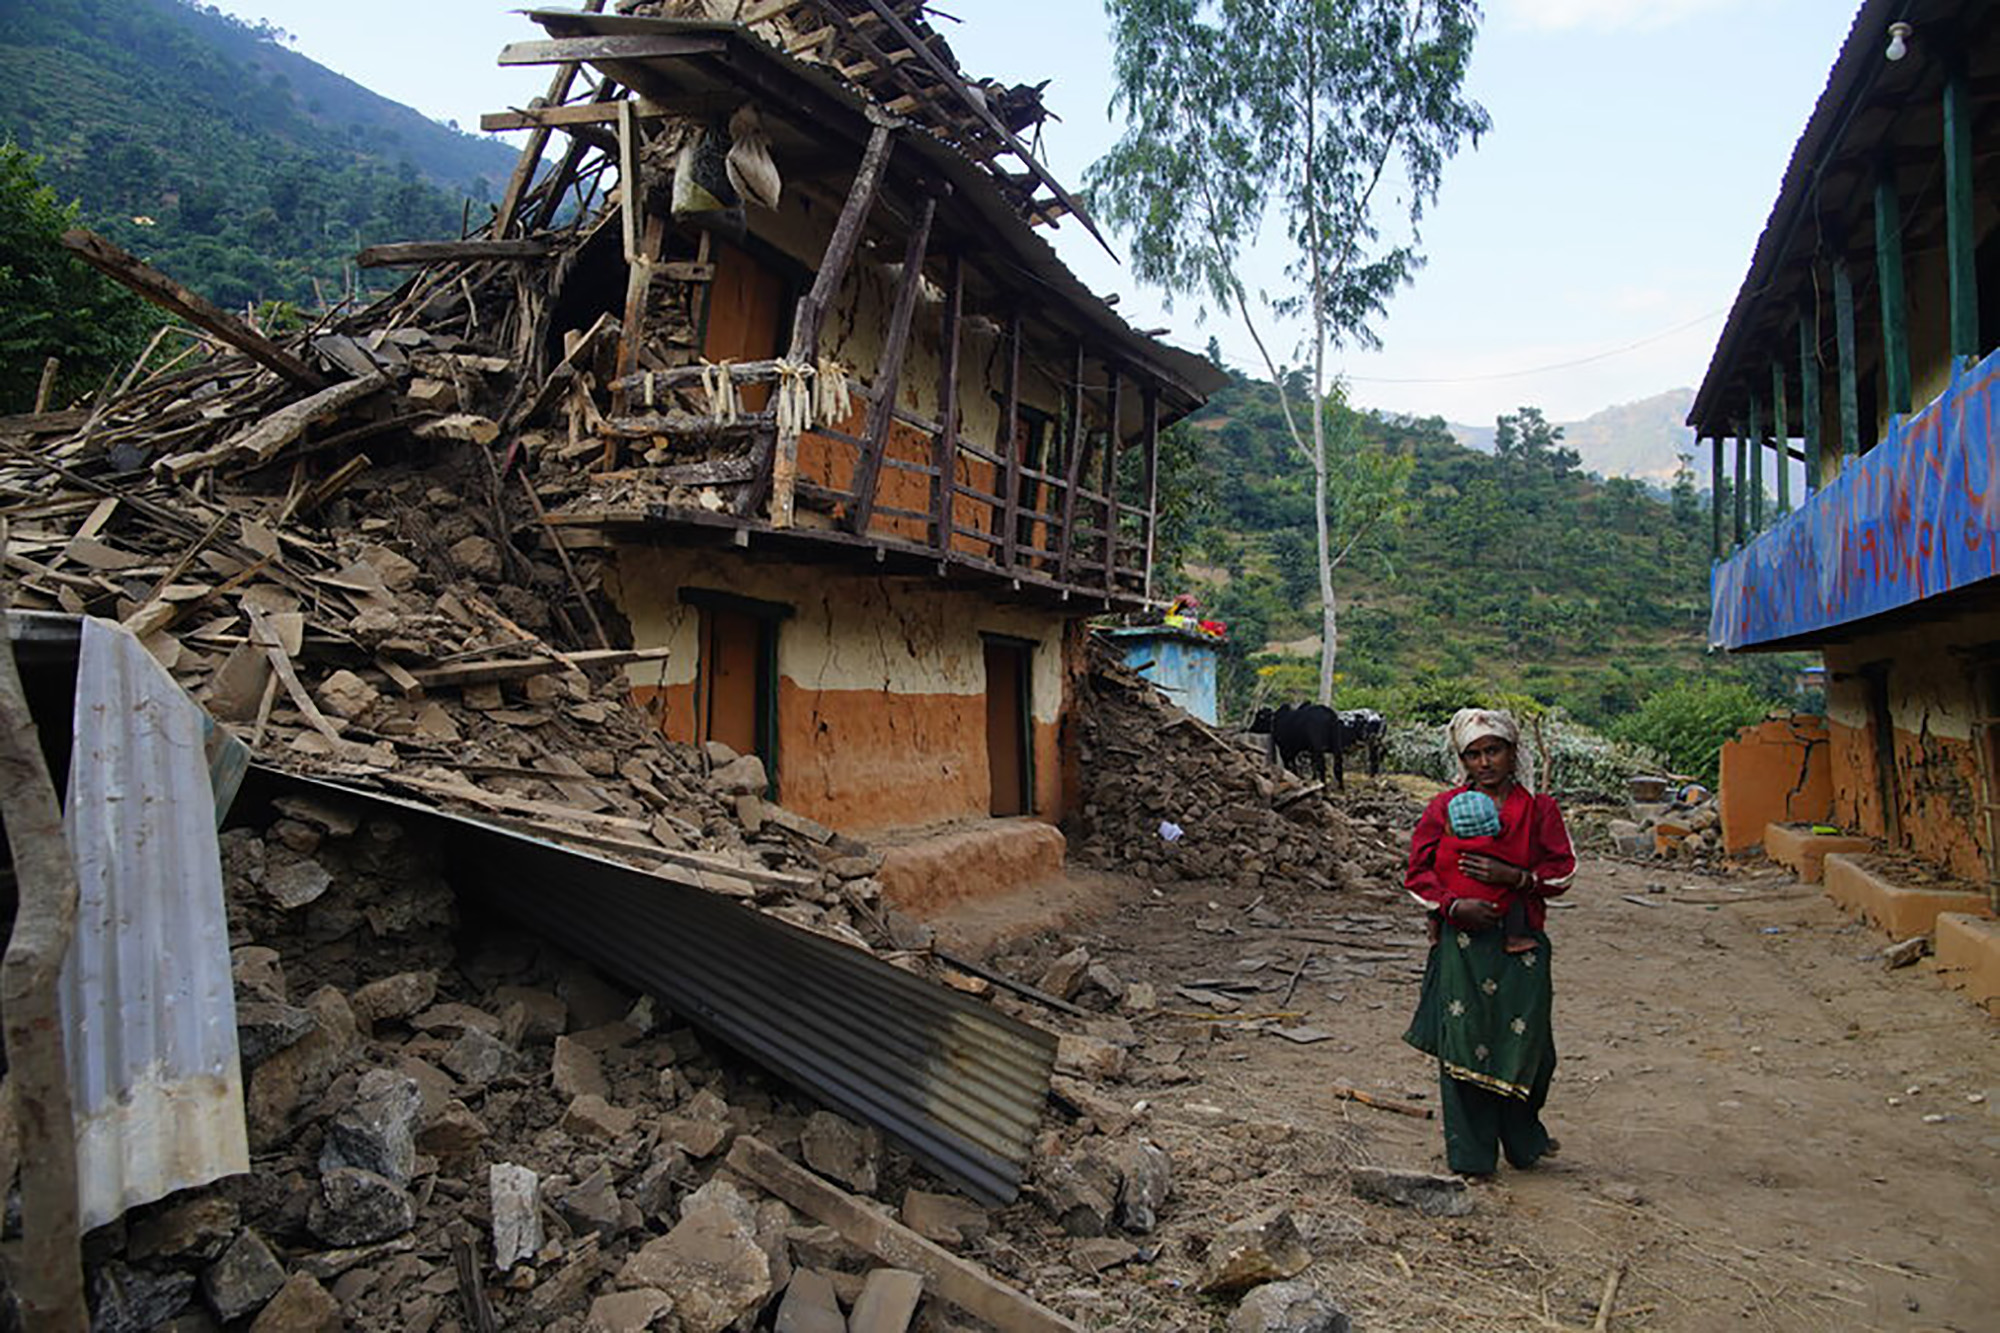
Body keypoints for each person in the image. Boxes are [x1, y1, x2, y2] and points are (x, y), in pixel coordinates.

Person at [1402, 708, 1577, 1177]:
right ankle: (1473, 1157)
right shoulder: (1443, 809)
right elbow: (1417, 875)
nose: (1485, 762)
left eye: (1493, 750)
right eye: (1474, 754)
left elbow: (1562, 873)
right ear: (1462, 759)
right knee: (1463, 1046)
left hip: (1520, 948)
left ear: (1512, 752)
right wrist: (1453, 908)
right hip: (1461, 949)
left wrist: (1516, 877)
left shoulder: (1539, 809)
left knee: (1533, 1050)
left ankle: (1523, 1138)